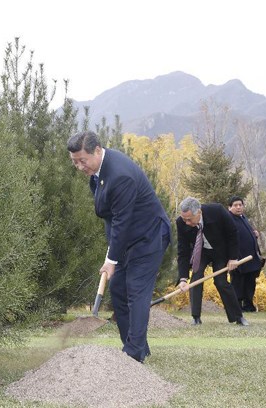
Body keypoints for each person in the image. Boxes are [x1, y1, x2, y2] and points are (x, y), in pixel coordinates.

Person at [67, 131, 171, 362]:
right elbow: (112, 219)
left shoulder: (120, 175)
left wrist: (111, 261)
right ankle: (136, 347)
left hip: (149, 236)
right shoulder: (99, 171)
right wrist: (111, 254)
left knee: (135, 289)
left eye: (82, 160)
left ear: (97, 150)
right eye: (75, 162)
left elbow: (122, 220)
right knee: (118, 290)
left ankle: (133, 356)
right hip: (127, 237)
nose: (80, 167)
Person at [176, 197, 249, 326]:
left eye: (189, 219)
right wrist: (182, 278)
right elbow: (183, 251)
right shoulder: (181, 223)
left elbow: (232, 233)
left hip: (220, 251)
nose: (186, 222)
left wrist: (233, 258)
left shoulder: (217, 211)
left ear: (199, 212)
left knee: (221, 282)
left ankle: (238, 317)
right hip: (201, 251)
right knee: (195, 279)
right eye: (184, 219)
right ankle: (196, 317)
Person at [227, 196, 264, 312]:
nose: (238, 207)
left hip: (251, 258)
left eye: (240, 205)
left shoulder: (243, 218)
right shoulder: (229, 219)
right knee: (237, 283)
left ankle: (248, 305)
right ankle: (236, 307)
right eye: (235, 205)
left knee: (250, 283)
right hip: (237, 258)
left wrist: (255, 234)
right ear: (229, 207)